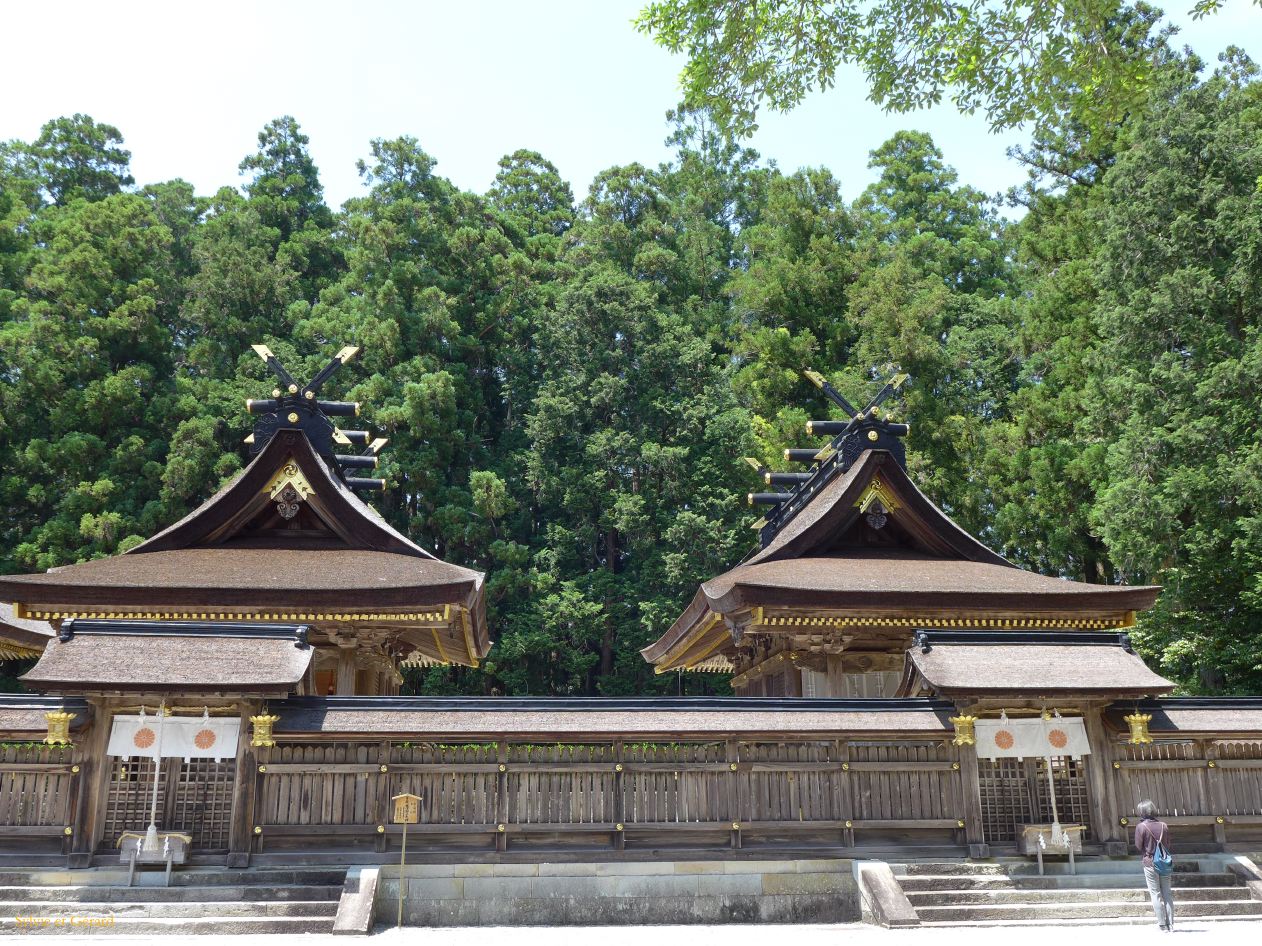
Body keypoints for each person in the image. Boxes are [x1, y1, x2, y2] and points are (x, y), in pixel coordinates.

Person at [1135, 799, 1174, 931]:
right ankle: (1171, 924)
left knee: (1155, 893)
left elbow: (1138, 845)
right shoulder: (1164, 825)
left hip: (1149, 861)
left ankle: (1162, 924)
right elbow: (1168, 844)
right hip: (1164, 862)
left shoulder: (1141, 827)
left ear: (1142, 812)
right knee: (1167, 893)